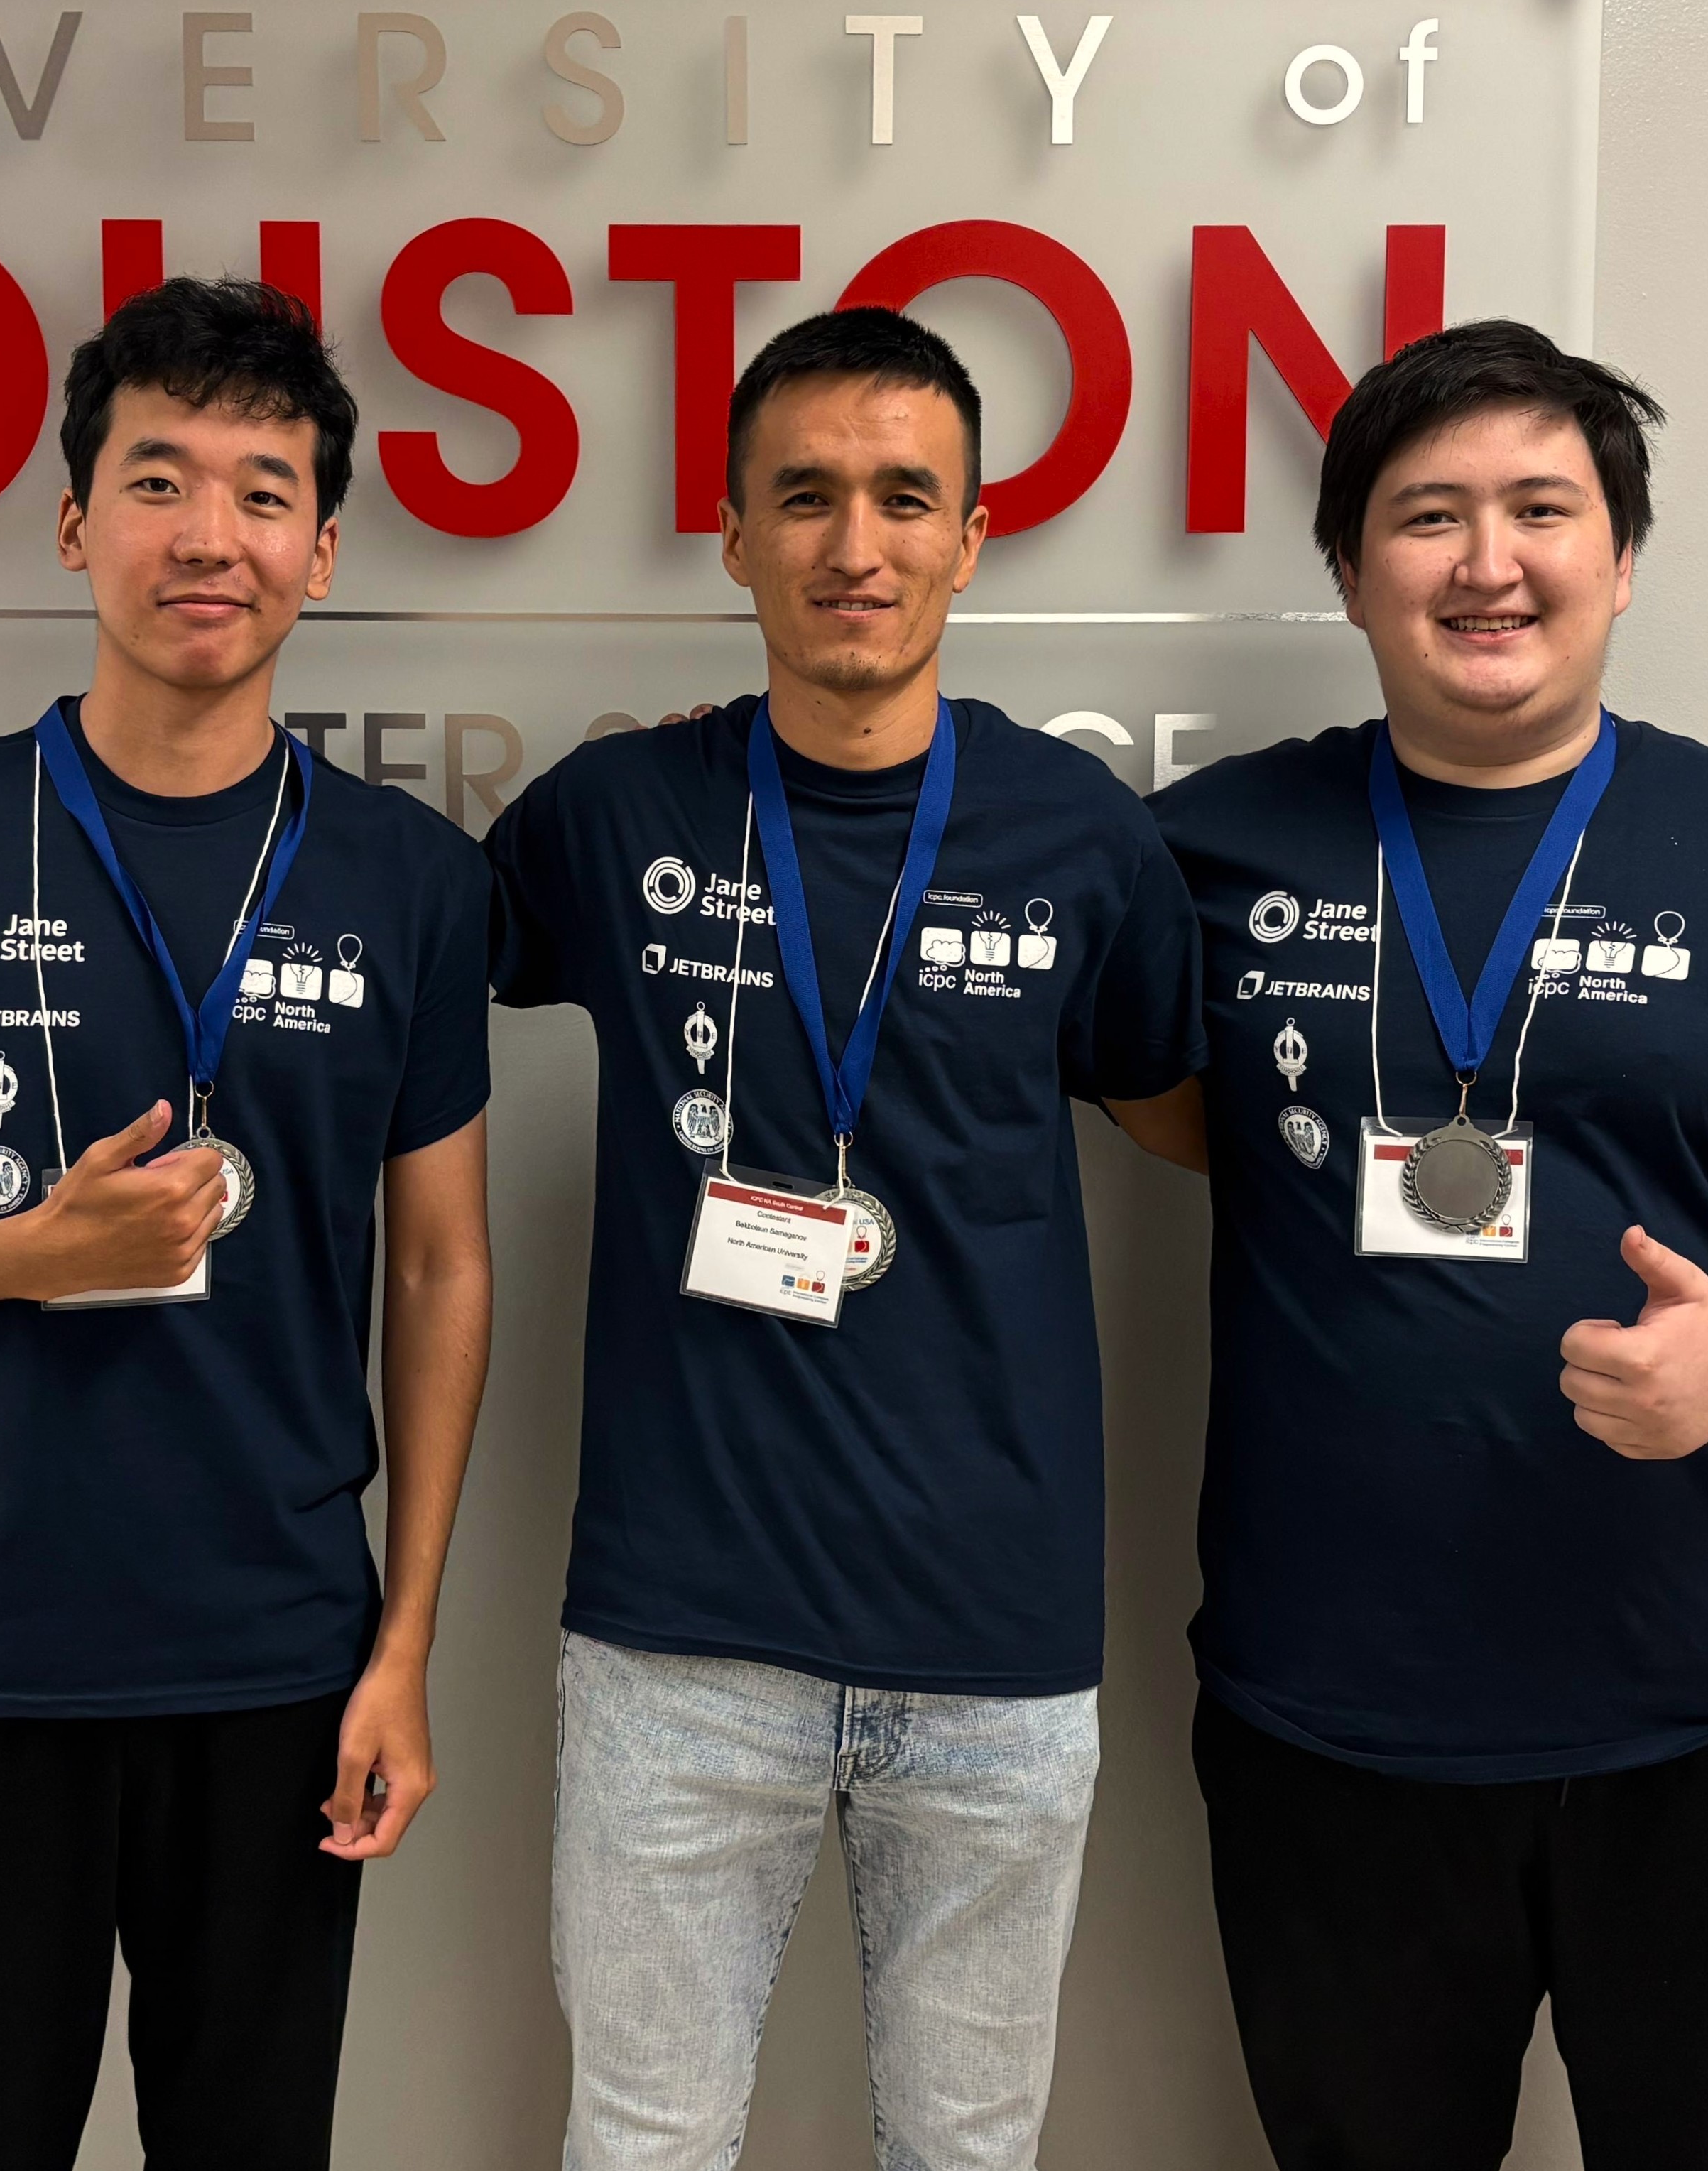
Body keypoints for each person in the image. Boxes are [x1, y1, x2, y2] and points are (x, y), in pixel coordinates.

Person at [1114, 319, 1708, 2170]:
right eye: (1426, 516)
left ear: (1618, 560)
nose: (1487, 561)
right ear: (1348, 570)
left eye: (1540, 508)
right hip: (1334, 1736)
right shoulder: (1207, 848)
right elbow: (1130, 1067)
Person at [0, 278, 496, 2171]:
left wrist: (402, 1643)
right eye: (157, 479)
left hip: (280, 1671)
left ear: (322, 544)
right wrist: (19, 1255)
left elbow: (442, 1264)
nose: (209, 533)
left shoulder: (405, 878)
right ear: (72, 523)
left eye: (263, 490)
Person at [484, 305, 1208, 2171]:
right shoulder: (612, 812)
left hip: (995, 1642)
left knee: (965, 2148)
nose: (853, 543)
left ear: (972, 536)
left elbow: (1170, 1107)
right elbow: (419, 1005)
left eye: (905, 496)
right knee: (642, 2138)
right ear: (729, 534)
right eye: (802, 496)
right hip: (677, 1641)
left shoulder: (1079, 836)